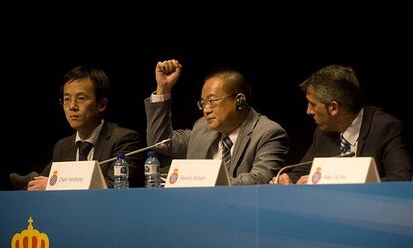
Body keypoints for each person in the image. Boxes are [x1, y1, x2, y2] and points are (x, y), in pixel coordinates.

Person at [145, 59, 289, 185]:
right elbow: (159, 141)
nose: (206, 110)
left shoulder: (268, 133)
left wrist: (201, 181)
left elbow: (260, 179)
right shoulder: (202, 127)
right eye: (203, 103)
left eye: (212, 101)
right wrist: (163, 88)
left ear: (239, 100)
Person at [271, 64, 413, 184]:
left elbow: (401, 180)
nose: (308, 111)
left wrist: (330, 181)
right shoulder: (323, 133)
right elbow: (302, 171)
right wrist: (288, 178)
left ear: (333, 108)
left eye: (313, 104)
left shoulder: (386, 128)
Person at [26, 65, 145, 190]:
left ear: (102, 105)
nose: (72, 106)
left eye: (81, 98)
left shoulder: (124, 140)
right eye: (67, 99)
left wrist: (54, 185)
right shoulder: (63, 147)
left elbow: (115, 187)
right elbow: (39, 183)